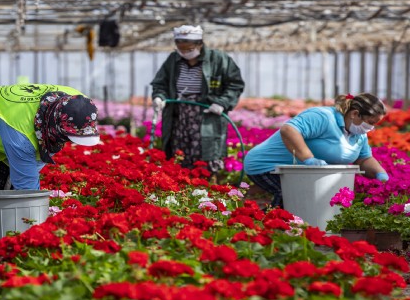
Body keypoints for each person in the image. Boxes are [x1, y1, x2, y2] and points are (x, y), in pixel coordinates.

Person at [244, 92, 390, 209]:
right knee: (292, 198)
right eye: (370, 122)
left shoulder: (359, 133)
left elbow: (364, 159)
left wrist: (381, 175)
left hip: (303, 173)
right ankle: (263, 228)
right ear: (354, 114)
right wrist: (308, 159)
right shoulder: (323, 117)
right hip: (266, 165)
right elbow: (289, 130)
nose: (371, 128)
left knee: (303, 202)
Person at [150, 25, 245, 175]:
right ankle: (181, 187)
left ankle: (205, 186)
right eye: (181, 48)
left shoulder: (218, 59)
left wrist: (222, 102)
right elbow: (160, 83)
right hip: (179, 116)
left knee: (206, 155)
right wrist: (159, 97)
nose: (185, 52)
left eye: (189, 48)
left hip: (207, 114)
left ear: (200, 44)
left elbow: (235, 84)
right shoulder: (173, 60)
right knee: (179, 154)